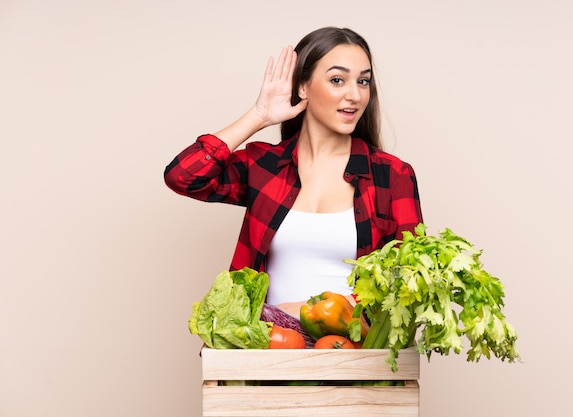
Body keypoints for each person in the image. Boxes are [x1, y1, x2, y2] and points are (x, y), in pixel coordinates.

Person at [164, 27, 423, 317]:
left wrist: (302, 310)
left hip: (352, 352)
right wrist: (258, 116)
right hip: (267, 349)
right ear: (302, 87)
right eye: (338, 80)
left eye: (363, 81)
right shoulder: (264, 166)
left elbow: (408, 287)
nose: (355, 95)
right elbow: (183, 177)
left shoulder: (392, 175)